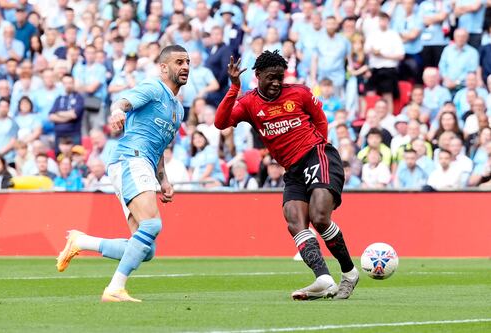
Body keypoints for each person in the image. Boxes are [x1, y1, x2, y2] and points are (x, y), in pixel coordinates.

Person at [215, 51, 359, 300]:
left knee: (320, 218)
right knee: (295, 222)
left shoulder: (300, 92)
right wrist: (234, 87)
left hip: (317, 155)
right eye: (271, 77)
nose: (276, 83)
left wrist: (319, 149)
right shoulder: (249, 102)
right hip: (292, 170)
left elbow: (320, 121)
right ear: (258, 76)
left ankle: (349, 273)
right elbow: (220, 122)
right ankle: (324, 279)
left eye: (280, 78)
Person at [56, 45, 190, 303]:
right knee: (152, 225)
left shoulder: (178, 110)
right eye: (178, 62)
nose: (184, 67)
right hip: (130, 158)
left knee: (146, 249)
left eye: (187, 62)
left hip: (144, 164)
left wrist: (164, 179)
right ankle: (115, 288)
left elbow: (159, 146)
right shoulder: (153, 87)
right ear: (163, 67)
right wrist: (118, 110)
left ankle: (81, 242)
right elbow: (124, 101)